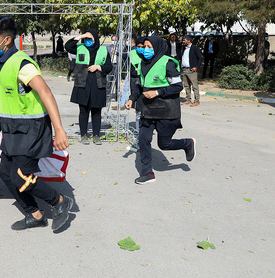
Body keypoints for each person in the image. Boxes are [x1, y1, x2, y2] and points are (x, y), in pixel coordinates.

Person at [0, 16, 73, 231]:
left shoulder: (21, 63)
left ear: (6, 41)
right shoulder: (4, 62)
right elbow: (13, 94)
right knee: (5, 173)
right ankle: (35, 215)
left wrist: (59, 130)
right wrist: (3, 112)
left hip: (30, 130)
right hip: (12, 128)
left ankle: (60, 202)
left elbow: (45, 92)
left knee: (20, 176)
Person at [125, 36, 196, 184]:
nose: (146, 50)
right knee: (143, 139)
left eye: (149, 47)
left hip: (165, 110)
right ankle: (148, 173)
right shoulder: (143, 63)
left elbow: (177, 87)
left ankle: (187, 144)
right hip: (147, 110)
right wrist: (131, 99)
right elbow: (139, 85)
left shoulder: (167, 63)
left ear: (157, 47)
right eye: (144, 46)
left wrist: (157, 92)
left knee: (164, 144)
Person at [65, 29, 112, 145]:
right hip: (82, 83)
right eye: (86, 39)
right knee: (83, 110)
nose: (87, 41)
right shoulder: (79, 47)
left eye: (90, 38)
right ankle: (83, 135)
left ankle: (96, 135)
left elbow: (109, 67)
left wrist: (98, 67)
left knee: (96, 111)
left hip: (98, 84)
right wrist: (81, 36)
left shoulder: (103, 50)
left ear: (95, 39)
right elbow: (68, 46)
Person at [180, 35, 203, 107]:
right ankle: (188, 99)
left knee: (194, 86)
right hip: (184, 69)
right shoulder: (184, 48)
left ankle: (196, 100)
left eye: (184, 40)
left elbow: (200, 58)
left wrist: (196, 67)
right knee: (186, 85)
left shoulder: (194, 48)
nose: (183, 41)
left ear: (189, 40)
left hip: (191, 70)